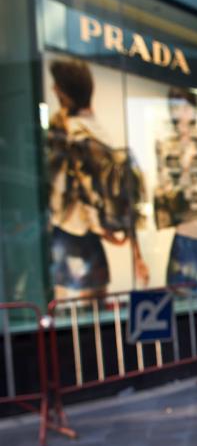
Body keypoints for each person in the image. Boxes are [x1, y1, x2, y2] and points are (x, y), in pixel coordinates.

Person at [47, 59, 148, 299]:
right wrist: (134, 251)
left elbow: (70, 195)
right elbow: (121, 196)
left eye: (57, 86)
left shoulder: (69, 134)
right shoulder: (99, 132)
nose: (53, 90)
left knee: (72, 325)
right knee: (94, 322)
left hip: (71, 241)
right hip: (92, 246)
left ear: (65, 91)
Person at [154, 87, 197, 288]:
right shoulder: (166, 145)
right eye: (177, 107)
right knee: (186, 294)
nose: (183, 112)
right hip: (185, 233)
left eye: (187, 106)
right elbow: (165, 187)